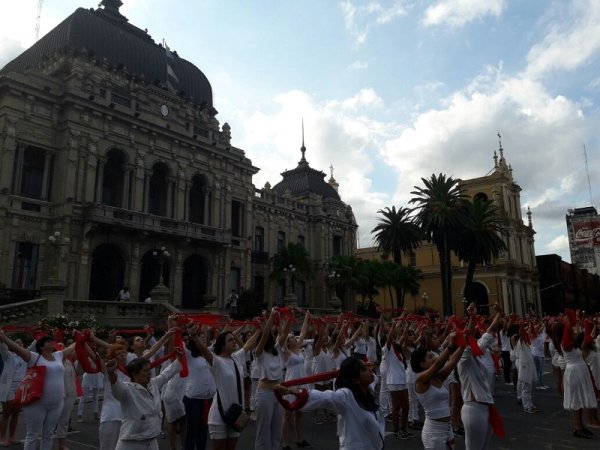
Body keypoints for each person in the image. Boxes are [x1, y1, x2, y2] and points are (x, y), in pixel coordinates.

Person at [281, 356, 385, 450]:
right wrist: (295, 391)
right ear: (355, 379)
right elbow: (324, 397)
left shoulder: (367, 389)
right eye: (364, 369)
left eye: (367, 367)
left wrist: (367, 367)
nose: (370, 370)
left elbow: (374, 378)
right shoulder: (346, 396)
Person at [187, 323, 260, 450]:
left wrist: (261, 329)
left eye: (233, 339)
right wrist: (193, 335)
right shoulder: (217, 361)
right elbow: (204, 350)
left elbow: (249, 344)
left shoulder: (236, 358)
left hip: (236, 414)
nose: (234, 341)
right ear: (222, 344)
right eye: (230, 340)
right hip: (219, 415)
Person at [0, 330, 76, 450]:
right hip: (37, 403)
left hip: (56, 403)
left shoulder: (58, 355)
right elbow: (16, 348)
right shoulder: (34, 357)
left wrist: (84, 337)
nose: (51, 342)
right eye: (48, 341)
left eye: (52, 340)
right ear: (41, 346)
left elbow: (73, 347)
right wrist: (4, 337)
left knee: (48, 434)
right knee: (33, 434)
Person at [106, 345, 183, 450]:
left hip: (152, 443)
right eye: (145, 371)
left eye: (149, 370)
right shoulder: (127, 390)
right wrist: (111, 374)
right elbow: (116, 387)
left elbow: (167, 374)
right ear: (135, 374)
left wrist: (179, 358)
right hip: (130, 444)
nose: (149, 373)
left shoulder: (154, 384)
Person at [412, 332, 465, 450]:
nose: (435, 357)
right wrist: (450, 346)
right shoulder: (420, 380)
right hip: (433, 433)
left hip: (447, 429)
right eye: (430, 357)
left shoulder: (437, 377)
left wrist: (462, 345)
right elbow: (438, 364)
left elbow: (452, 362)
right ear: (422, 364)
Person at [0, 338, 26, 446]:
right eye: (16, 343)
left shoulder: (26, 357)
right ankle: (2, 438)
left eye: (20, 343)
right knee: (6, 413)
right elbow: (2, 345)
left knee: (16, 413)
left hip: (21, 387)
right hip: (9, 387)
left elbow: (35, 345)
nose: (18, 344)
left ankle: (12, 437)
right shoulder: (8, 356)